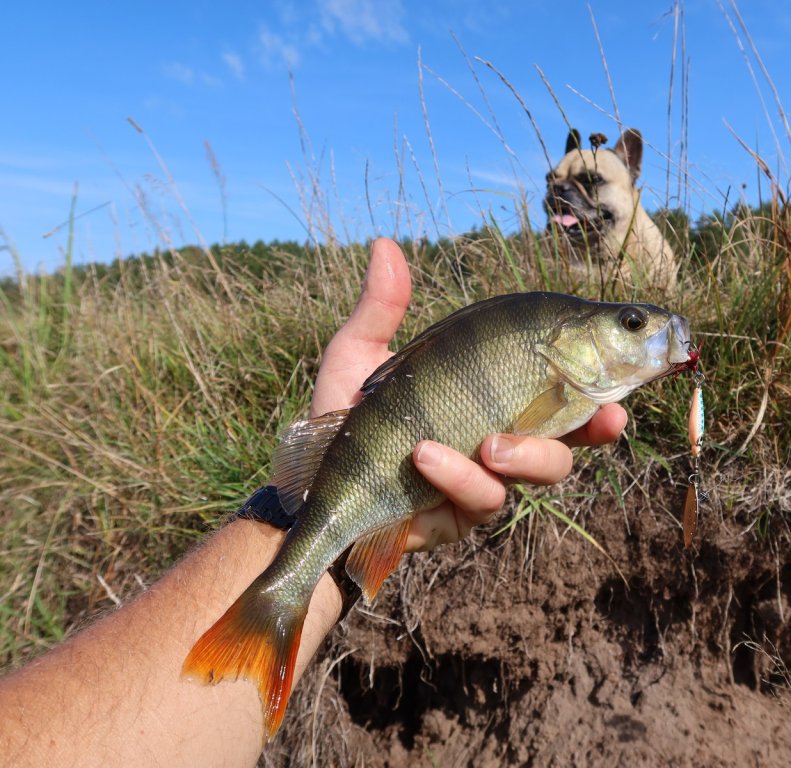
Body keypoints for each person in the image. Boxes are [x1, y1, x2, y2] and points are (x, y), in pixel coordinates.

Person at [0, 238, 628, 767]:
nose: (648, 335)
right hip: (353, 490)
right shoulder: (563, 374)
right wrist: (304, 530)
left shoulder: (578, 386)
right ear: (573, 338)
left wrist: (340, 535)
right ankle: (272, 605)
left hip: (374, 502)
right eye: (630, 325)